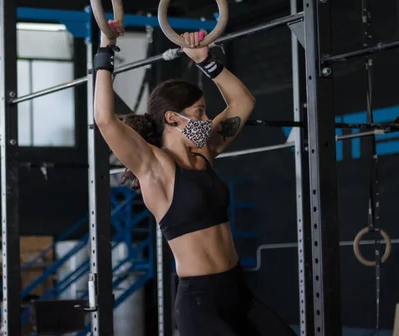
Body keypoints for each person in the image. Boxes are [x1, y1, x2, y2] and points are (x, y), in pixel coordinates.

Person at [93, 21, 296, 335]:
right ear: (172, 117)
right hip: (201, 304)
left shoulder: (205, 151)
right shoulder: (154, 166)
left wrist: (205, 61)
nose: (206, 119)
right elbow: (104, 120)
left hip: (238, 292)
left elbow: (243, 103)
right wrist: (106, 49)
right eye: (199, 112)